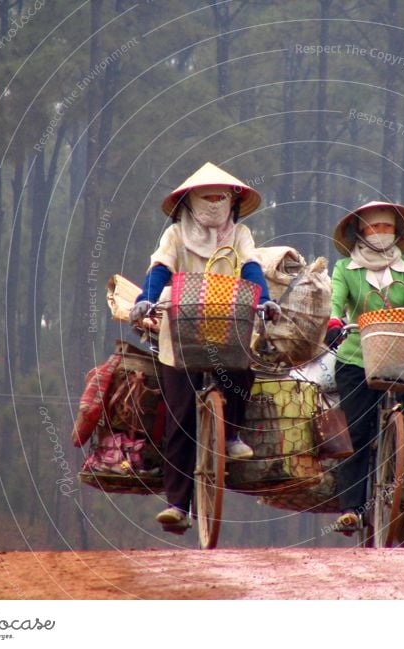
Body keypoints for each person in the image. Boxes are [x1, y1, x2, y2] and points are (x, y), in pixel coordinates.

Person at [130, 162, 279, 532]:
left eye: (221, 197)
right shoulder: (176, 236)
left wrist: (266, 298)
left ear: (233, 201)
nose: (215, 202)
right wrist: (147, 299)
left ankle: (230, 434)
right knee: (179, 417)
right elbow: (159, 269)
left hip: (228, 327)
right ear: (191, 200)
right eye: (207, 196)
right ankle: (178, 504)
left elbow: (252, 268)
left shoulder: (240, 233)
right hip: (180, 331)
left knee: (242, 372)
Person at [325, 201, 404, 533]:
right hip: (357, 357)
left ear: (397, 232)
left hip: (402, 354)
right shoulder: (345, 268)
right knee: (356, 431)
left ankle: (400, 453)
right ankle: (351, 507)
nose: (381, 233)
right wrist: (334, 323)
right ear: (361, 233)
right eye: (373, 227)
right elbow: (335, 300)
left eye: (387, 228)